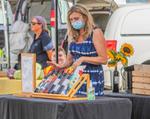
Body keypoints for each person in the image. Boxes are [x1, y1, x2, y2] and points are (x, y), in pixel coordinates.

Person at [54, 4, 107, 96]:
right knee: (76, 105)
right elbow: (69, 61)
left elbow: (103, 59)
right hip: (76, 79)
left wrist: (83, 58)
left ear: (85, 18)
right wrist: (60, 66)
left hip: (92, 80)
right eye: (71, 20)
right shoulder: (72, 35)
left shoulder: (95, 33)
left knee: (90, 103)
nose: (73, 22)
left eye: (76, 18)